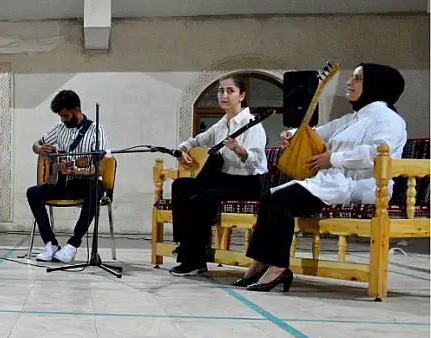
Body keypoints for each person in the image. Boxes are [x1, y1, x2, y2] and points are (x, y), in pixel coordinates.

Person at [239, 63, 408, 292]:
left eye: (357, 78)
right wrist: (292, 136)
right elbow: (317, 133)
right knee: (270, 196)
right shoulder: (352, 119)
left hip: (363, 186)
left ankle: (278, 267)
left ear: (374, 86)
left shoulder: (389, 120)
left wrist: (333, 159)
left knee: (281, 200)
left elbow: (375, 154)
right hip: (334, 182)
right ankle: (262, 262)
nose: (349, 83)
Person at [168, 75, 268, 276]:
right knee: (180, 186)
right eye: (221, 91)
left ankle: (195, 261)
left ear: (242, 95)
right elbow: (197, 139)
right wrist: (181, 150)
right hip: (224, 180)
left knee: (199, 201)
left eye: (230, 91)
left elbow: (257, 162)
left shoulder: (252, 124)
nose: (224, 95)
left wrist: (241, 151)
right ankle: (185, 243)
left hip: (247, 183)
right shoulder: (222, 124)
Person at [27, 89, 110, 263]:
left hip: (86, 181)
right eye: (60, 116)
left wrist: (78, 171)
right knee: (33, 192)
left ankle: (73, 244)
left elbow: (100, 170)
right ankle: (50, 244)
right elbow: (36, 144)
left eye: (65, 116)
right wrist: (39, 149)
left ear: (77, 110)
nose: (62, 120)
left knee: (95, 191)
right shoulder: (59, 128)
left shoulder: (96, 130)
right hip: (64, 182)